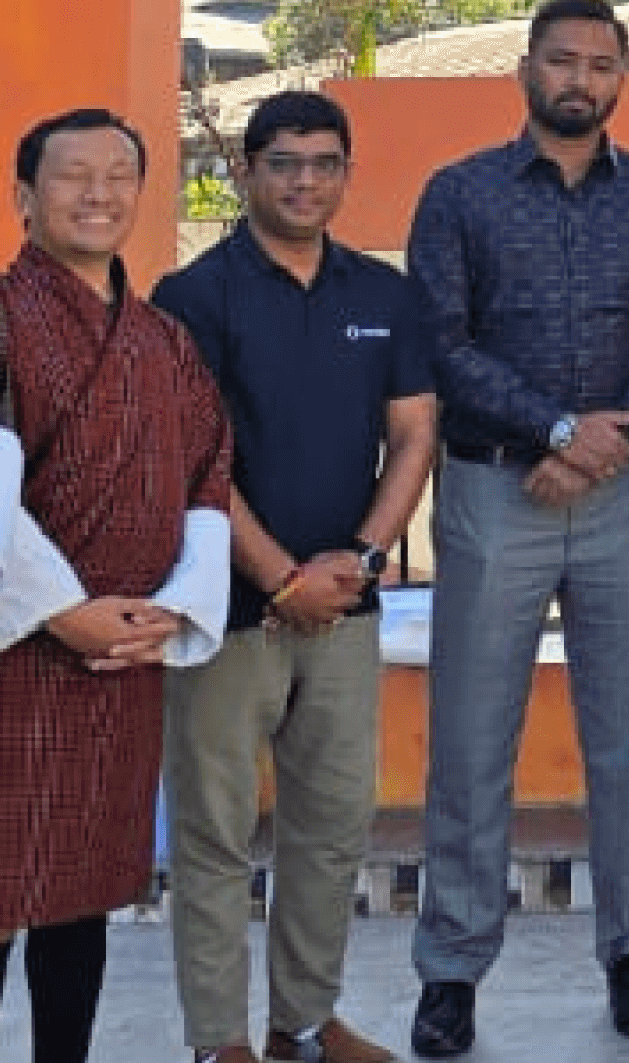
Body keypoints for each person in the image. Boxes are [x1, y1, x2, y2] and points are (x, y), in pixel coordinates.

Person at [405, 0, 629, 1057]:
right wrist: (552, 427)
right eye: (561, 58)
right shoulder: (458, 194)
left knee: (625, 737)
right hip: (499, 491)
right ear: (525, 68)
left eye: (600, 62)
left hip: (624, 494)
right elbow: (440, 341)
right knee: (470, 738)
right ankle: (450, 967)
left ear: (621, 78)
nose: (579, 77)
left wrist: (608, 442)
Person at [154, 90, 439, 1063]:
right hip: (230, 610)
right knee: (215, 836)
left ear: (345, 172)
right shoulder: (193, 297)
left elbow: (413, 433)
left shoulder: (383, 295)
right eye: (284, 162)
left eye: (324, 162)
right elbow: (194, 458)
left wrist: (357, 560)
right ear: (247, 169)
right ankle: (215, 1039)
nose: (305, 179)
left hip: (345, 609)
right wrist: (280, 576)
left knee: (330, 830)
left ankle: (304, 1023)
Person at [0, 109, 233, 1063]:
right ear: (22, 200)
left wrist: (173, 608)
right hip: (22, 652)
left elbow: (209, 476)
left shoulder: (164, 339)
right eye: (71, 176)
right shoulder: (5, 316)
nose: (98, 194)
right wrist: (65, 613)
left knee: (81, 894)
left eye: (118, 176)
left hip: (125, 658)